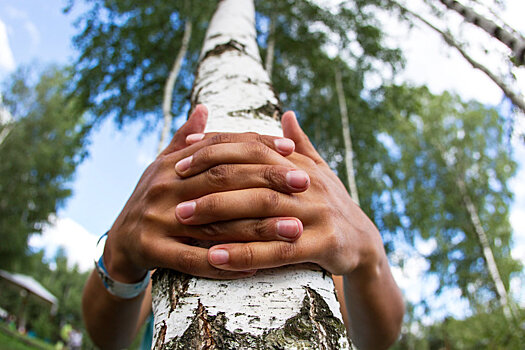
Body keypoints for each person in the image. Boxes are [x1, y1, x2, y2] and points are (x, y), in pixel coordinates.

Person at [82, 105, 404, 350]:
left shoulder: (312, 233)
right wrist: (119, 253)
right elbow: (110, 338)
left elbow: (376, 338)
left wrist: (367, 247)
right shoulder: (172, 232)